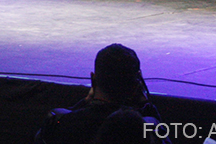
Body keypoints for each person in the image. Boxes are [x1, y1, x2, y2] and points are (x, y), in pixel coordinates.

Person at [35, 43, 165, 144]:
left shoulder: (60, 123)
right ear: (136, 85)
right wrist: (146, 104)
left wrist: (84, 102)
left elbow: (46, 133)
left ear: (93, 80)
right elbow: (162, 137)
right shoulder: (143, 131)